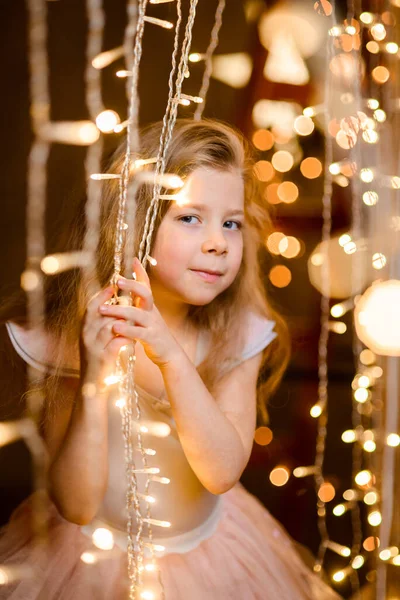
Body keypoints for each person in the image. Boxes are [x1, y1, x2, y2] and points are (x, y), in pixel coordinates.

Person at [0, 119, 341, 599]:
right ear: (132, 225)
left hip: (208, 553)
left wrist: (170, 357)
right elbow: (76, 505)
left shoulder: (236, 333)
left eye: (231, 223)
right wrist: (95, 374)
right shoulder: (74, 334)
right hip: (87, 559)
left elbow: (221, 472)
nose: (217, 242)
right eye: (189, 217)